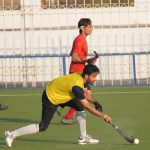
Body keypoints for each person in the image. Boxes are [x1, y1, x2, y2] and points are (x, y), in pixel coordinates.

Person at [5, 64, 112, 147]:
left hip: (62, 93)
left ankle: (82, 138)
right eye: (94, 76)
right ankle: (11, 134)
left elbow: (84, 95)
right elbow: (88, 107)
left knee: (80, 107)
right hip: (51, 97)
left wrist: (95, 102)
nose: (95, 79)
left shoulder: (82, 77)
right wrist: (104, 116)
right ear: (87, 76)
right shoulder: (76, 86)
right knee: (42, 127)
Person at [60, 18, 100, 124]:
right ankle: (64, 111)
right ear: (83, 28)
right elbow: (73, 57)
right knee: (83, 96)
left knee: (86, 94)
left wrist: (90, 60)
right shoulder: (79, 40)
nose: (92, 28)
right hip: (76, 72)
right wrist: (86, 60)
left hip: (80, 71)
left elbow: (73, 54)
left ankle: (64, 110)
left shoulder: (82, 39)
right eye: (90, 26)